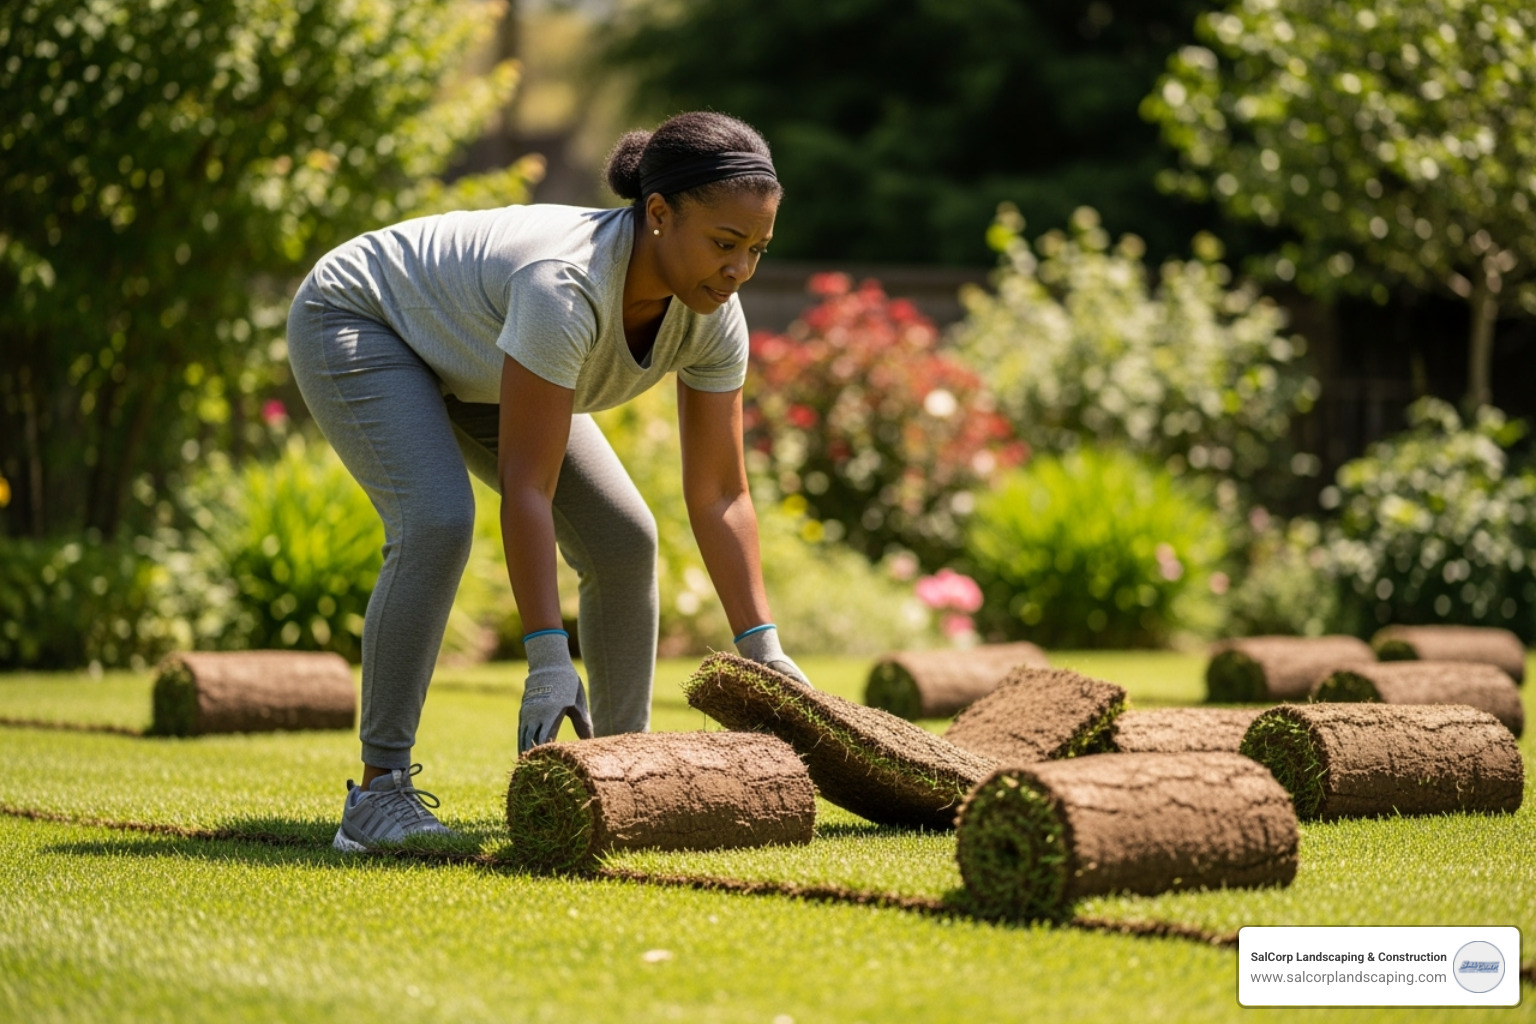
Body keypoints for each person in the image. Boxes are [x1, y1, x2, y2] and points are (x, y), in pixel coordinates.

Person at [285, 111, 809, 852]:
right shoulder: (565, 285)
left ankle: (623, 777)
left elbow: (721, 493)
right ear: (658, 214)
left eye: (756, 250)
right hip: (364, 318)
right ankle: (378, 793)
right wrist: (546, 660)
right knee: (435, 519)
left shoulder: (714, 316)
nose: (739, 271)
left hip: (476, 354)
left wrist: (764, 649)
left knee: (623, 540)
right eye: (725, 244)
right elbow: (525, 485)